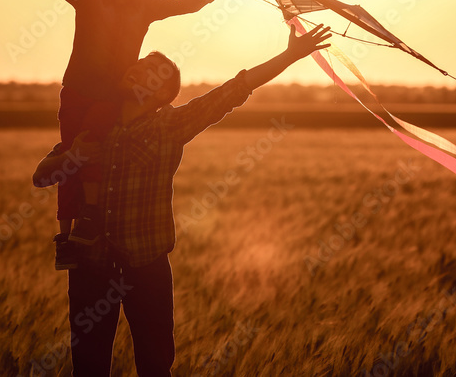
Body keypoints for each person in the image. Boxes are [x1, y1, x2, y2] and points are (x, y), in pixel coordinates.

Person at [33, 23, 331, 376]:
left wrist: (289, 55)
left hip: (147, 269)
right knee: (88, 367)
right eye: (141, 64)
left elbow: (236, 89)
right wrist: (73, 158)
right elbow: (42, 176)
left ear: (163, 97)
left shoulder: (170, 126)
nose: (139, 70)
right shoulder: (93, 123)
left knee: (156, 365)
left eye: (153, 74)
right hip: (90, 267)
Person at [0, 0, 246, 267]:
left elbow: (193, 3)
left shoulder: (146, 7)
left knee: (100, 153)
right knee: (72, 154)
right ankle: (66, 234)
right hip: (76, 93)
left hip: (115, 96)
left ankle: (91, 218)